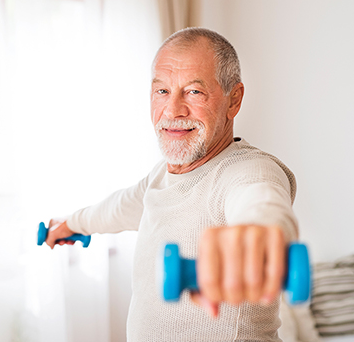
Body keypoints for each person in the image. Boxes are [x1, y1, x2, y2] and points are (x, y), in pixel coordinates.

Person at [45, 27, 298, 341]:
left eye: (193, 91)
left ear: (234, 100)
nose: (173, 110)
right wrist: (72, 223)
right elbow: (119, 208)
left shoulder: (246, 169)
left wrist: (258, 237)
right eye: (162, 91)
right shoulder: (161, 176)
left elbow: (262, 201)